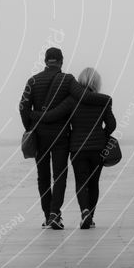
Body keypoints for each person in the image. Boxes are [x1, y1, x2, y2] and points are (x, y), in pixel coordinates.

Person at [19, 48, 109, 230]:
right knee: (59, 175)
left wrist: (29, 128)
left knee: (42, 176)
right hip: (61, 136)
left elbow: (23, 107)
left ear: (45, 61)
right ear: (61, 61)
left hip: (39, 135)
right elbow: (84, 96)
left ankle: (48, 216)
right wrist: (106, 99)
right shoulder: (67, 80)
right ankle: (54, 214)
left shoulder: (33, 81)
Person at [40, 67, 116, 229]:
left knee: (81, 181)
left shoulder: (71, 100)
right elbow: (112, 124)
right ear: (97, 82)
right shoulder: (103, 100)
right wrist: (103, 135)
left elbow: (52, 116)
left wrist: (33, 115)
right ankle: (90, 217)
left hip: (77, 148)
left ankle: (85, 212)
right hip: (98, 148)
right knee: (94, 183)